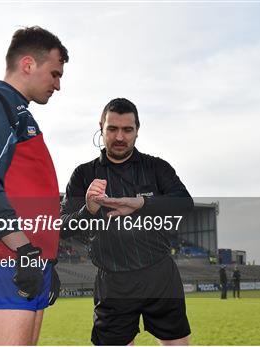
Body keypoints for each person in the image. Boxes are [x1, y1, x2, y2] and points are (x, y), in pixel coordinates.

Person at [0, 26, 68, 345]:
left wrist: (44, 256)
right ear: (28, 64)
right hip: (4, 257)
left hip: (27, 258)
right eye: (55, 73)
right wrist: (25, 249)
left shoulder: (19, 113)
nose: (58, 85)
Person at [60, 98, 193, 345]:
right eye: (112, 129)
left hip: (160, 275)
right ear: (101, 127)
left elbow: (185, 204)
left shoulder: (156, 168)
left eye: (127, 129)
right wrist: (87, 210)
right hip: (113, 282)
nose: (119, 136)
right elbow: (62, 228)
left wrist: (142, 203)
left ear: (137, 131)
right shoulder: (84, 174)